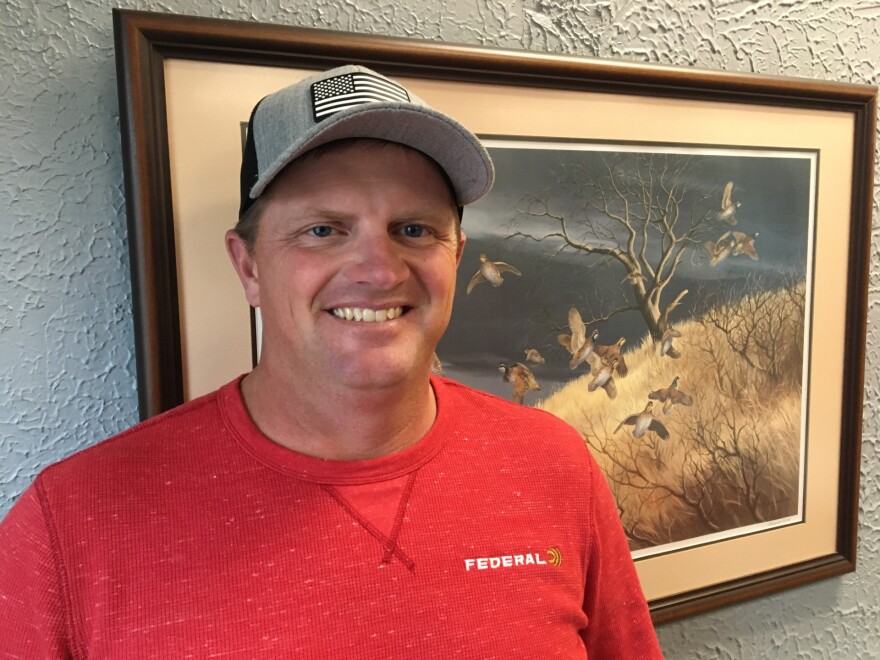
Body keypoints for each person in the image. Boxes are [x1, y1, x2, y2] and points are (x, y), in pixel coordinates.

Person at [0, 64, 663, 657]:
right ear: (248, 266)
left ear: (456, 258)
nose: (378, 270)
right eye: (324, 230)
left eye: (414, 229)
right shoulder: (71, 526)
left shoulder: (551, 461)